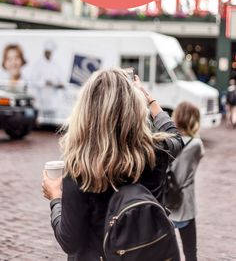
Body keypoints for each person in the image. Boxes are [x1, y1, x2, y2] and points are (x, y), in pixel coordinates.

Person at [42, 68, 183, 261]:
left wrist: (56, 198)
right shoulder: (156, 151)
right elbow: (176, 137)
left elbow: (70, 241)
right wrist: (150, 99)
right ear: (135, 107)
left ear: (85, 112)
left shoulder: (79, 169)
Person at [169, 101, 205, 261]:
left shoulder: (166, 141)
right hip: (185, 205)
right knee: (190, 253)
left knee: (165, 253)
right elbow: (200, 156)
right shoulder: (196, 144)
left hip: (165, 203)